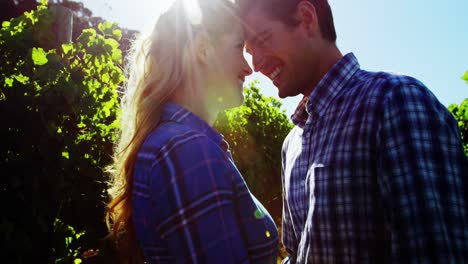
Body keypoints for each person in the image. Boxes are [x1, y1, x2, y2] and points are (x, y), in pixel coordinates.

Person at [236, 0, 468, 263]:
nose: (255, 65)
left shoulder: (396, 101)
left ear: (307, 17)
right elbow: (297, 253)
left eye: (263, 39)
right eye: (249, 51)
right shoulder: (292, 144)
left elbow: (434, 252)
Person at [105, 0, 278, 263]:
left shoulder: (179, 143)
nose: (249, 68)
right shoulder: (186, 149)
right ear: (202, 49)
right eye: (237, 48)